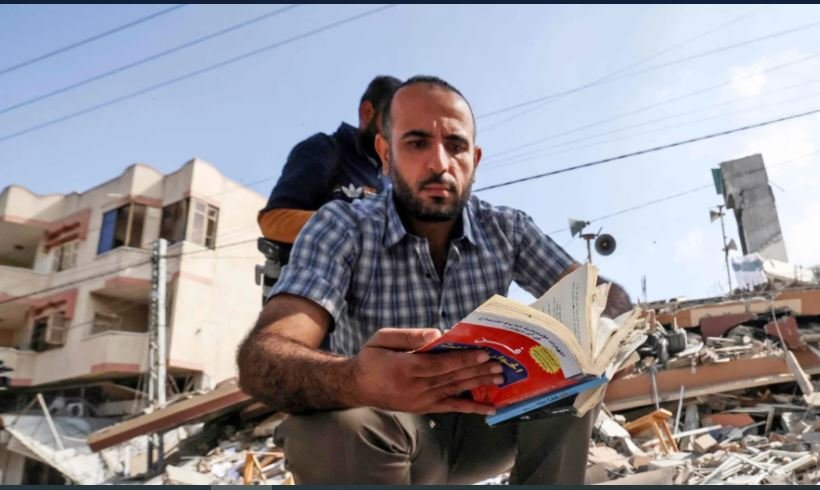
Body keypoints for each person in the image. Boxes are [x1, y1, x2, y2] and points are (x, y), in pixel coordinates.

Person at [237, 75, 632, 484]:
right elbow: (264, 356)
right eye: (417, 143)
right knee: (329, 431)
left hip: (490, 428)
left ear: (475, 161)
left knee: (575, 374)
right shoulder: (341, 226)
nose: (439, 164)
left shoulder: (507, 228)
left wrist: (605, 334)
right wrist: (357, 379)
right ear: (385, 155)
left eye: (456, 146)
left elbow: (601, 295)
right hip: (388, 432)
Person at [257, 75, 402, 267]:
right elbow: (272, 222)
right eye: (395, 122)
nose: (399, 134)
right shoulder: (325, 149)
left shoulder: (392, 179)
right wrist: (353, 227)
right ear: (367, 113)